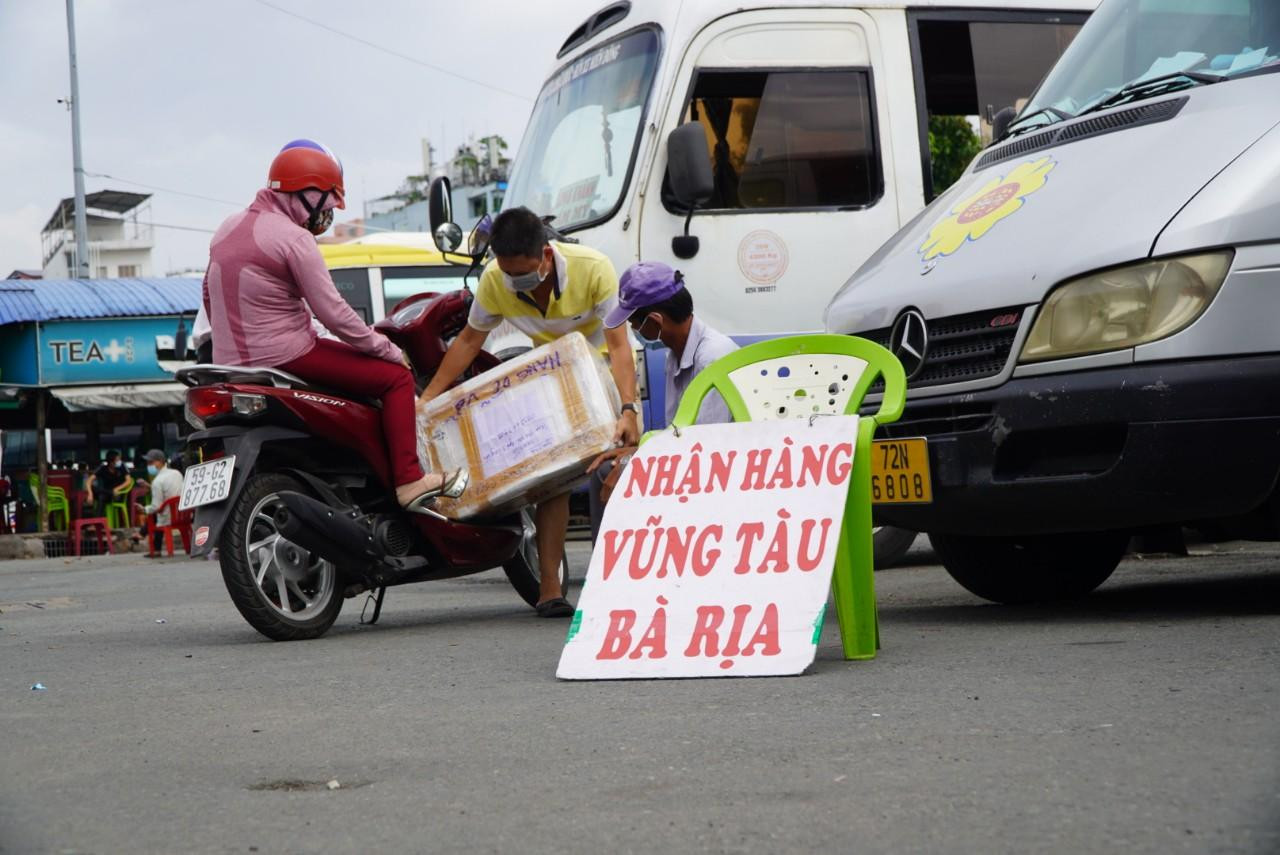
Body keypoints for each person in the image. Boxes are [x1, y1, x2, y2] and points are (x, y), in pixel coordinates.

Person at [202, 139, 464, 510]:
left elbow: (210, 298)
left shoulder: (227, 227)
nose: (328, 212)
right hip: (286, 355)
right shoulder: (295, 238)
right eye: (327, 200)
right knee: (396, 379)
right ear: (306, 193)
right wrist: (388, 350)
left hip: (230, 364)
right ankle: (409, 480)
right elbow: (334, 314)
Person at [418, 206, 640, 618]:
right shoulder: (494, 281)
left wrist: (628, 408)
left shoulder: (594, 269)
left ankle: (626, 581)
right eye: (508, 274)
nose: (516, 282)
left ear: (547, 255)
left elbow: (621, 344)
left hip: (608, 376)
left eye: (524, 273)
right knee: (550, 479)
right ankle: (550, 590)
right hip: (554, 384)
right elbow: (468, 341)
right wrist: (428, 399)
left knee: (615, 472)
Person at [587, 262, 739, 538]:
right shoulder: (675, 355)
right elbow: (677, 431)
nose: (633, 331)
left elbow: (704, 449)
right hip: (692, 457)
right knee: (603, 468)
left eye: (634, 324)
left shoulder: (712, 358)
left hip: (719, 470)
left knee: (614, 473)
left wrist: (631, 462)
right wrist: (632, 453)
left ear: (655, 321)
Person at [135, 449, 185, 556]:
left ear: (160, 461)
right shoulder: (177, 473)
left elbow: (156, 506)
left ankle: (152, 545)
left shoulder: (158, 481)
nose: (149, 465)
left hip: (168, 517)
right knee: (157, 513)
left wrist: (144, 509)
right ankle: (142, 534)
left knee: (154, 514)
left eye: (151, 462)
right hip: (183, 514)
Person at [87, 450, 128, 516]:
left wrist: (117, 489)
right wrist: (90, 493)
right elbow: (89, 480)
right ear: (111, 462)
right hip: (106, 493)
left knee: (101, 495)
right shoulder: (103, 468)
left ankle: (96, 522)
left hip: (118, 494)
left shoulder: (122, 467)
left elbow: (128, 481)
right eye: (117, 460)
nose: (119, 461)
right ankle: (97, 521)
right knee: (97, 492)